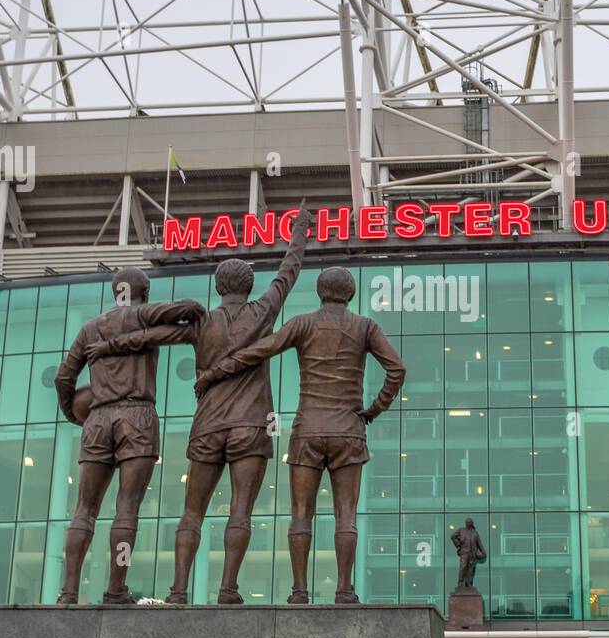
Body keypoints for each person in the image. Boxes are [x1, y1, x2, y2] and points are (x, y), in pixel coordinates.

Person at [84, 206, 310, 604]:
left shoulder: (202, 323)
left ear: (220, 287)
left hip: (207, 426)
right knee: (240, 511)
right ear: (248, 284)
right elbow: (288, 272)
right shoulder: (263, 311)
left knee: (193, 513)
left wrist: (107, 345)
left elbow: (149, 336)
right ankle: (228, 589)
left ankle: (178, 590)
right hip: (250, 427)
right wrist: (300, 232)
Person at [198, 266, 405, 604]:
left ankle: (299, 591)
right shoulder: (365, 326)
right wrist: (374, 408)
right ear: (350, 294)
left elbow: (258, 351)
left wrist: (214, 373)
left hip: (308, 429)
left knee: (300, 514)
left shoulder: (302, 323)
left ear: (321, 292)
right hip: (348, 431)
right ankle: (344, 590)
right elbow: (397, 368)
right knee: (346, 515)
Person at [53, 269, 205, 604]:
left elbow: (63, 378)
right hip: (136, 415)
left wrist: (74, 414)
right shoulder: (142, 314)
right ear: (145, 292)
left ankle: (68, 592)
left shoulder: (89, 328)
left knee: (83, 510)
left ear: (114, 291)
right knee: (127, 508)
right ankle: (115, 588)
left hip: (97, 417)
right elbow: (191, 308)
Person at [451, 517, 486, 589]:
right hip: (464, 552)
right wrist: (458, 545)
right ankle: (460, 582)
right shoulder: (461, 530)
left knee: (470, 569)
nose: (468, 523)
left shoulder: (475, 533)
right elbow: (453, 536)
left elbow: (479, 544)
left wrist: (483, 552)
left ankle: (468, 583)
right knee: (463, 567)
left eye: (470, 522)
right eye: (467, 522)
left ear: (472, 523)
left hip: (472, 553)